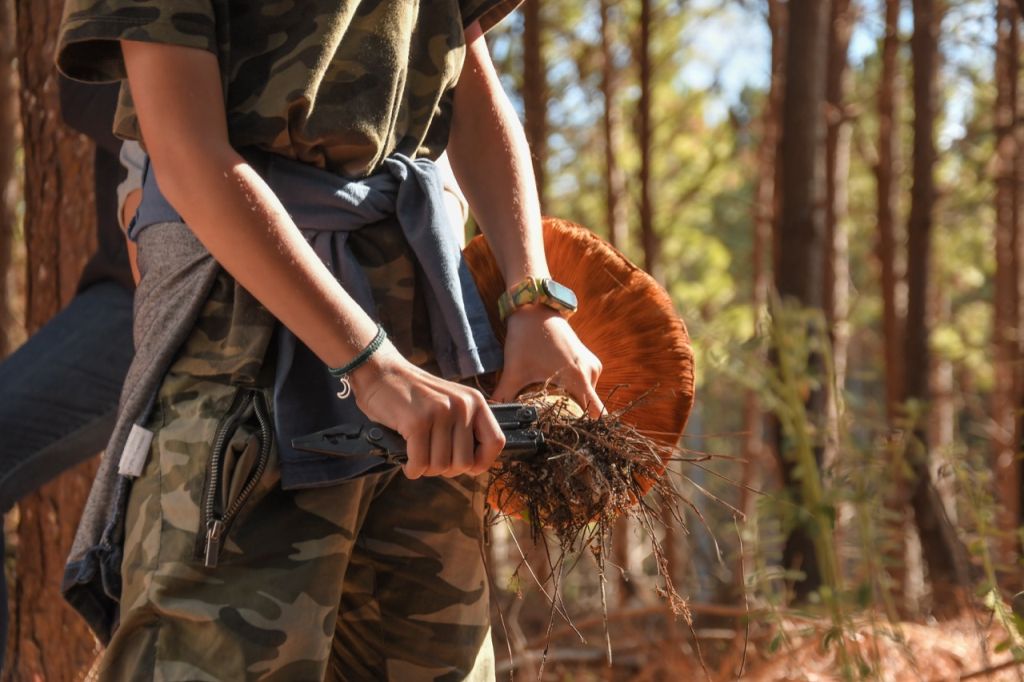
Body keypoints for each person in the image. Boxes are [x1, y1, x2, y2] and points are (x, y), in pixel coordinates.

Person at [56, 1, 604, 678]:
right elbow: (185, 148)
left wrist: (533, 298)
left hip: (428, 354)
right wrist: (372, 368)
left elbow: (468, 75)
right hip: (251, 342)